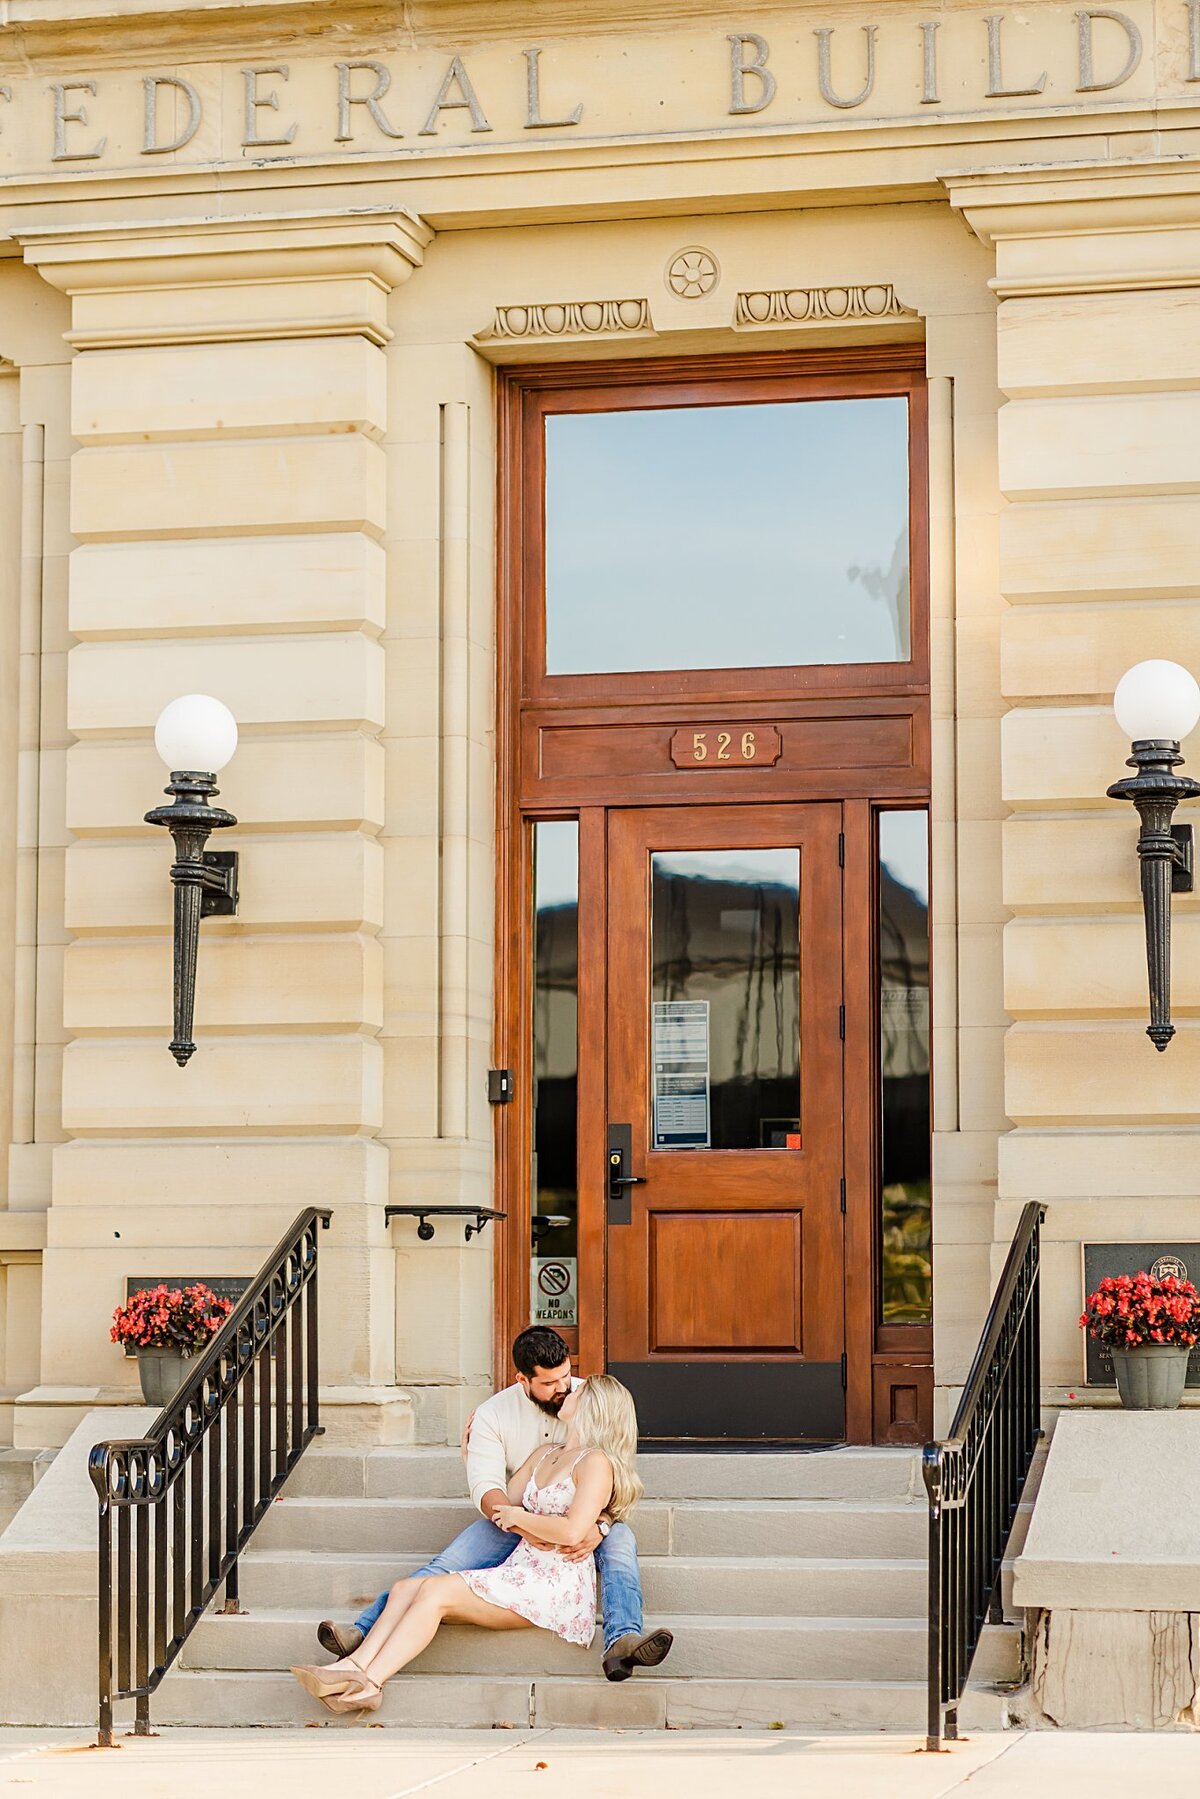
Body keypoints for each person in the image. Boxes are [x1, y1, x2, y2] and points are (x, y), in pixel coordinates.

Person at [315, 1327, 672, 1682]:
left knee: (621, 1543)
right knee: (447, 1564)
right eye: (550, 1383)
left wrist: (600, 1524)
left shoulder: (588, 1398)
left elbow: (615, 1476)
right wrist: (519, 1520)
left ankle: (622, 1637)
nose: (564, 1388)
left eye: (566, 1376)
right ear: (523, 1379)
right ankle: (364, 1632)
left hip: (581, 1520)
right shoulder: (493, 1415)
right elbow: (491, 1491)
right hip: (520, 1519)